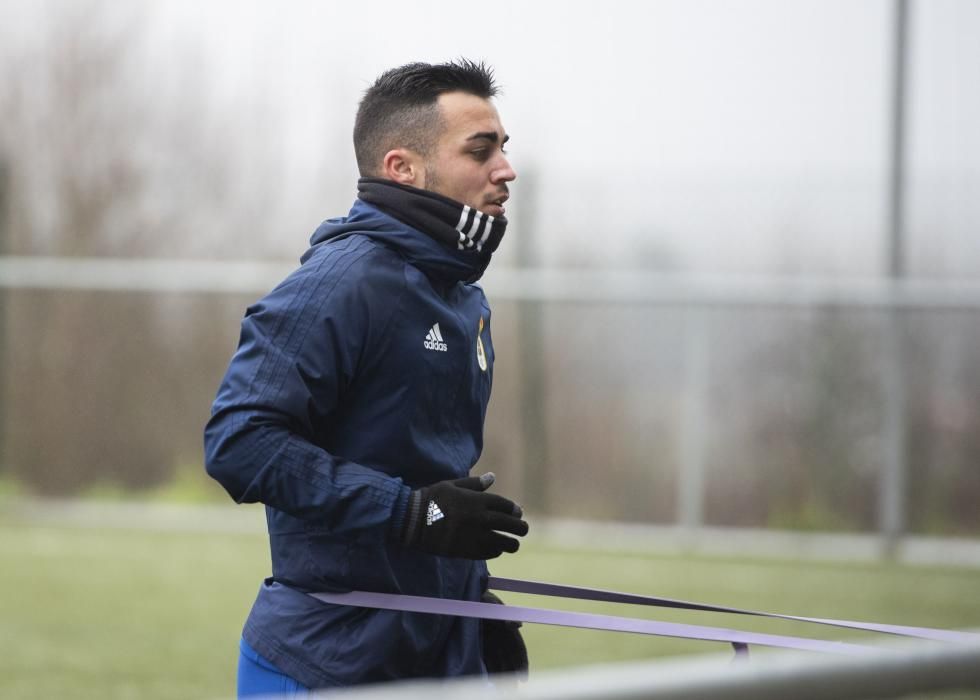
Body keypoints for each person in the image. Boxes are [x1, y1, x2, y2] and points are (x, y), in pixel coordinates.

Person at [204, 59, 529, 695]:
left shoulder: (463, 296)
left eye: (504, 148)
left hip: (434, 651)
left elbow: (424, 478)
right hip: (327, 659)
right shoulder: (341, 284)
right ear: (402, 168)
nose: (505, 169)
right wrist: (410, 513)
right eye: (480, 150)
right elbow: (239, 441)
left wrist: (474, 605)